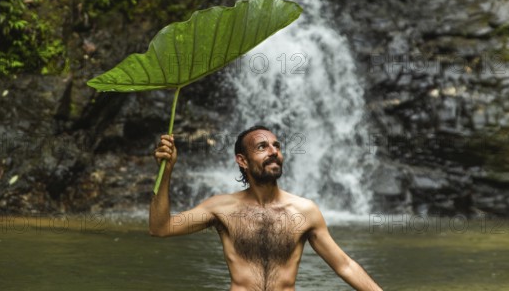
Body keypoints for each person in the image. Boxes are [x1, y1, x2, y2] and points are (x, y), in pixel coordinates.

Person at [149, 125, 383, 291]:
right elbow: (160, 228)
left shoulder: (304, 211)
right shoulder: (221, 208)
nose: (273, 151)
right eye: (262, 147)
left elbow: (344, 265)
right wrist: (167, 171)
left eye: (276, 146)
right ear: (242, 160)